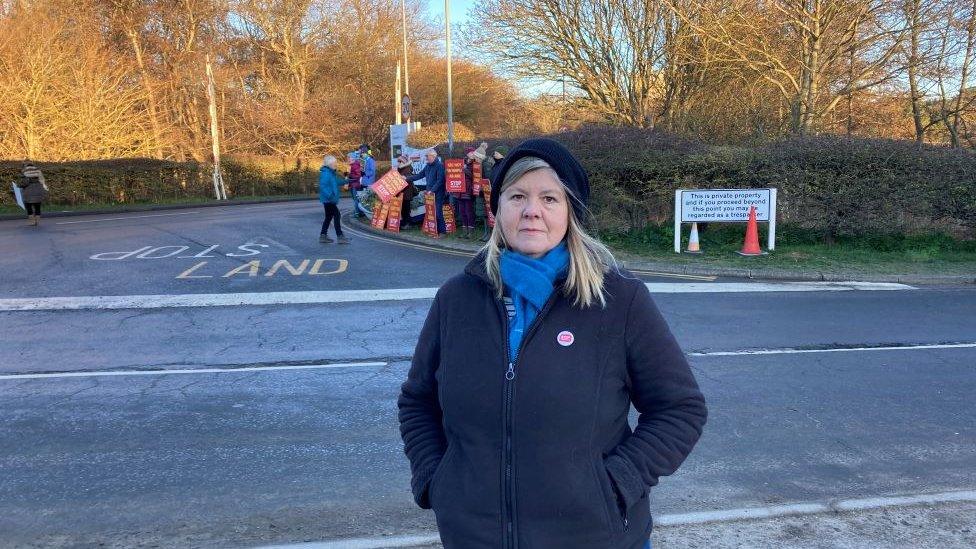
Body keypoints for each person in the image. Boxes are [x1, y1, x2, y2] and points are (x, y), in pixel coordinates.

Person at [398, 138, 707, 549]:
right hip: (473, 536)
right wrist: (435, 480)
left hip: (594, 536)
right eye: (518, 196)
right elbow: (418, 401)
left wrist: (616, 484)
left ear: (570, 212)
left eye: (549, 197)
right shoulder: (456, 298)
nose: (532, 211)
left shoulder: (619, 300)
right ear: (498, 208)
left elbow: (680, 409)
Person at [405, 149, 446, 235]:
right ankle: (434, 231)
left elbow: (440, 181)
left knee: (438, 212)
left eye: (427, 156)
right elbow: (419, 175)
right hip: (429, 193)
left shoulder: (440, 166)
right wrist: (407, 178)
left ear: (433, 156)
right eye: (426, 156)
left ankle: (442, 231)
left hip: (438, 193)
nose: (426, 158)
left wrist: (432, 190)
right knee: (432, 212)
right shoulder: (428, 166)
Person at [318, 155, 349, 244]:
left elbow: (336, 182)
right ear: (329, 164)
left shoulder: (330, 172)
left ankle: (323, 236)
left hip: (328, 200)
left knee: (328, 217)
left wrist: (347, 181)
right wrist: (330, 196)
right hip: (328, 200)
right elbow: (323, 186)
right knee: (337, 215)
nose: (336, 164)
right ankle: (340, 236)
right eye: (334, 163)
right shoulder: (326, 173)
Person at [17, 161, 48, 226]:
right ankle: (37, 221)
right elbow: (42, 181)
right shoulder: (38, 171)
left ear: (26, 166)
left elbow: (24, 183)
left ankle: (32, 221)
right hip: (38, 191)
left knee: (28, 207)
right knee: (37, 207)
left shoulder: (24, 172)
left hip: (28, 192)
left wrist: (19, 185)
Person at [396, 155, 419, 228]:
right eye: (398, 161)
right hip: (403, 191)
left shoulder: (408, 168)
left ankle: (407, 223)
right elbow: (399, 169)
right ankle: (406, 223)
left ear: (403, 162)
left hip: (407, 191)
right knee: (404, 208)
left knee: (406, 208)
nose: (398, 163)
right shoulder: (402, 168)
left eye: (400, 161)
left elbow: (408, 179)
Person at [347, 152, 364, 218]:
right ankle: (359, 212)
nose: (347, 159)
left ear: (352, 158)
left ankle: (357, 213)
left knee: (356, 200)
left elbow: (358, 176)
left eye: (348, 158)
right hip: (353, 184)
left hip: (355, 185)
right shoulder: (352, 165)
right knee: (356, 199)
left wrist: (350, 175)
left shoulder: (355, 165)